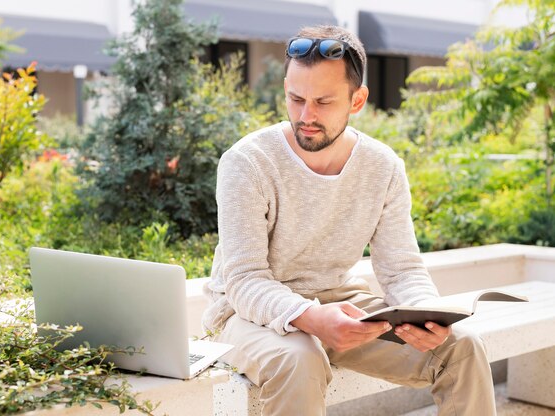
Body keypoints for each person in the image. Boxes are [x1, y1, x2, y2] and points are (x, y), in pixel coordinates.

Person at [202, 25, 496, 416]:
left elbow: (402, 269)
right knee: (298, 358)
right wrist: (309, 318)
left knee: (462, 347)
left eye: (323, 102)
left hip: (340, 305)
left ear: (357, 101)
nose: (306, 116)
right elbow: (244, 280)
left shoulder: (383, 167)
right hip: (244, 314)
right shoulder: (247, 162)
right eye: (295, 99)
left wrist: (425, 315)